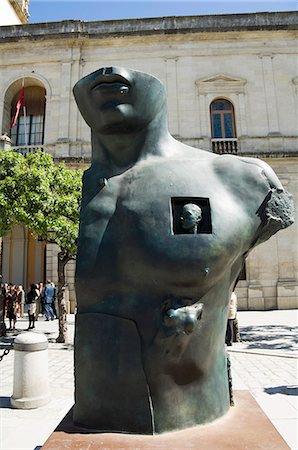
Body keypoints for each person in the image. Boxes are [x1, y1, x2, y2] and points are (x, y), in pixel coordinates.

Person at [72, 66, 295, 433]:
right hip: (96, 414)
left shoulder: (243, 180)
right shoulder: (93, 187)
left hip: (197, 411)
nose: (110, 73)